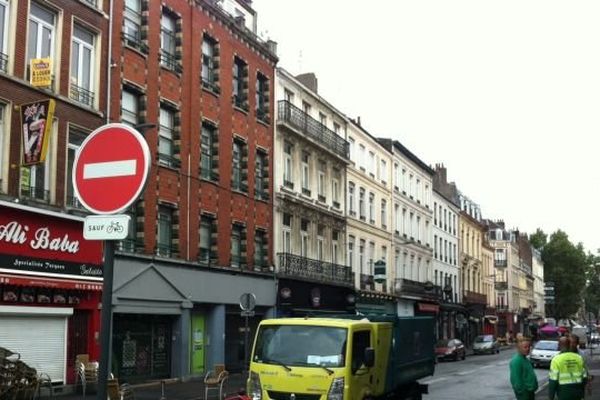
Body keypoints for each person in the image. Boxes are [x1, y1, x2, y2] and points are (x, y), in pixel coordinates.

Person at [548, 335, 587, 400]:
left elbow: (553, 381)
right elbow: (584, 378)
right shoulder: (579, 358)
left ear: (559, 345)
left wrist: (551, 397)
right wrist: (582, 393)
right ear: (569, 345)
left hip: (563, 393)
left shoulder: (556, 359)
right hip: (577, 393)